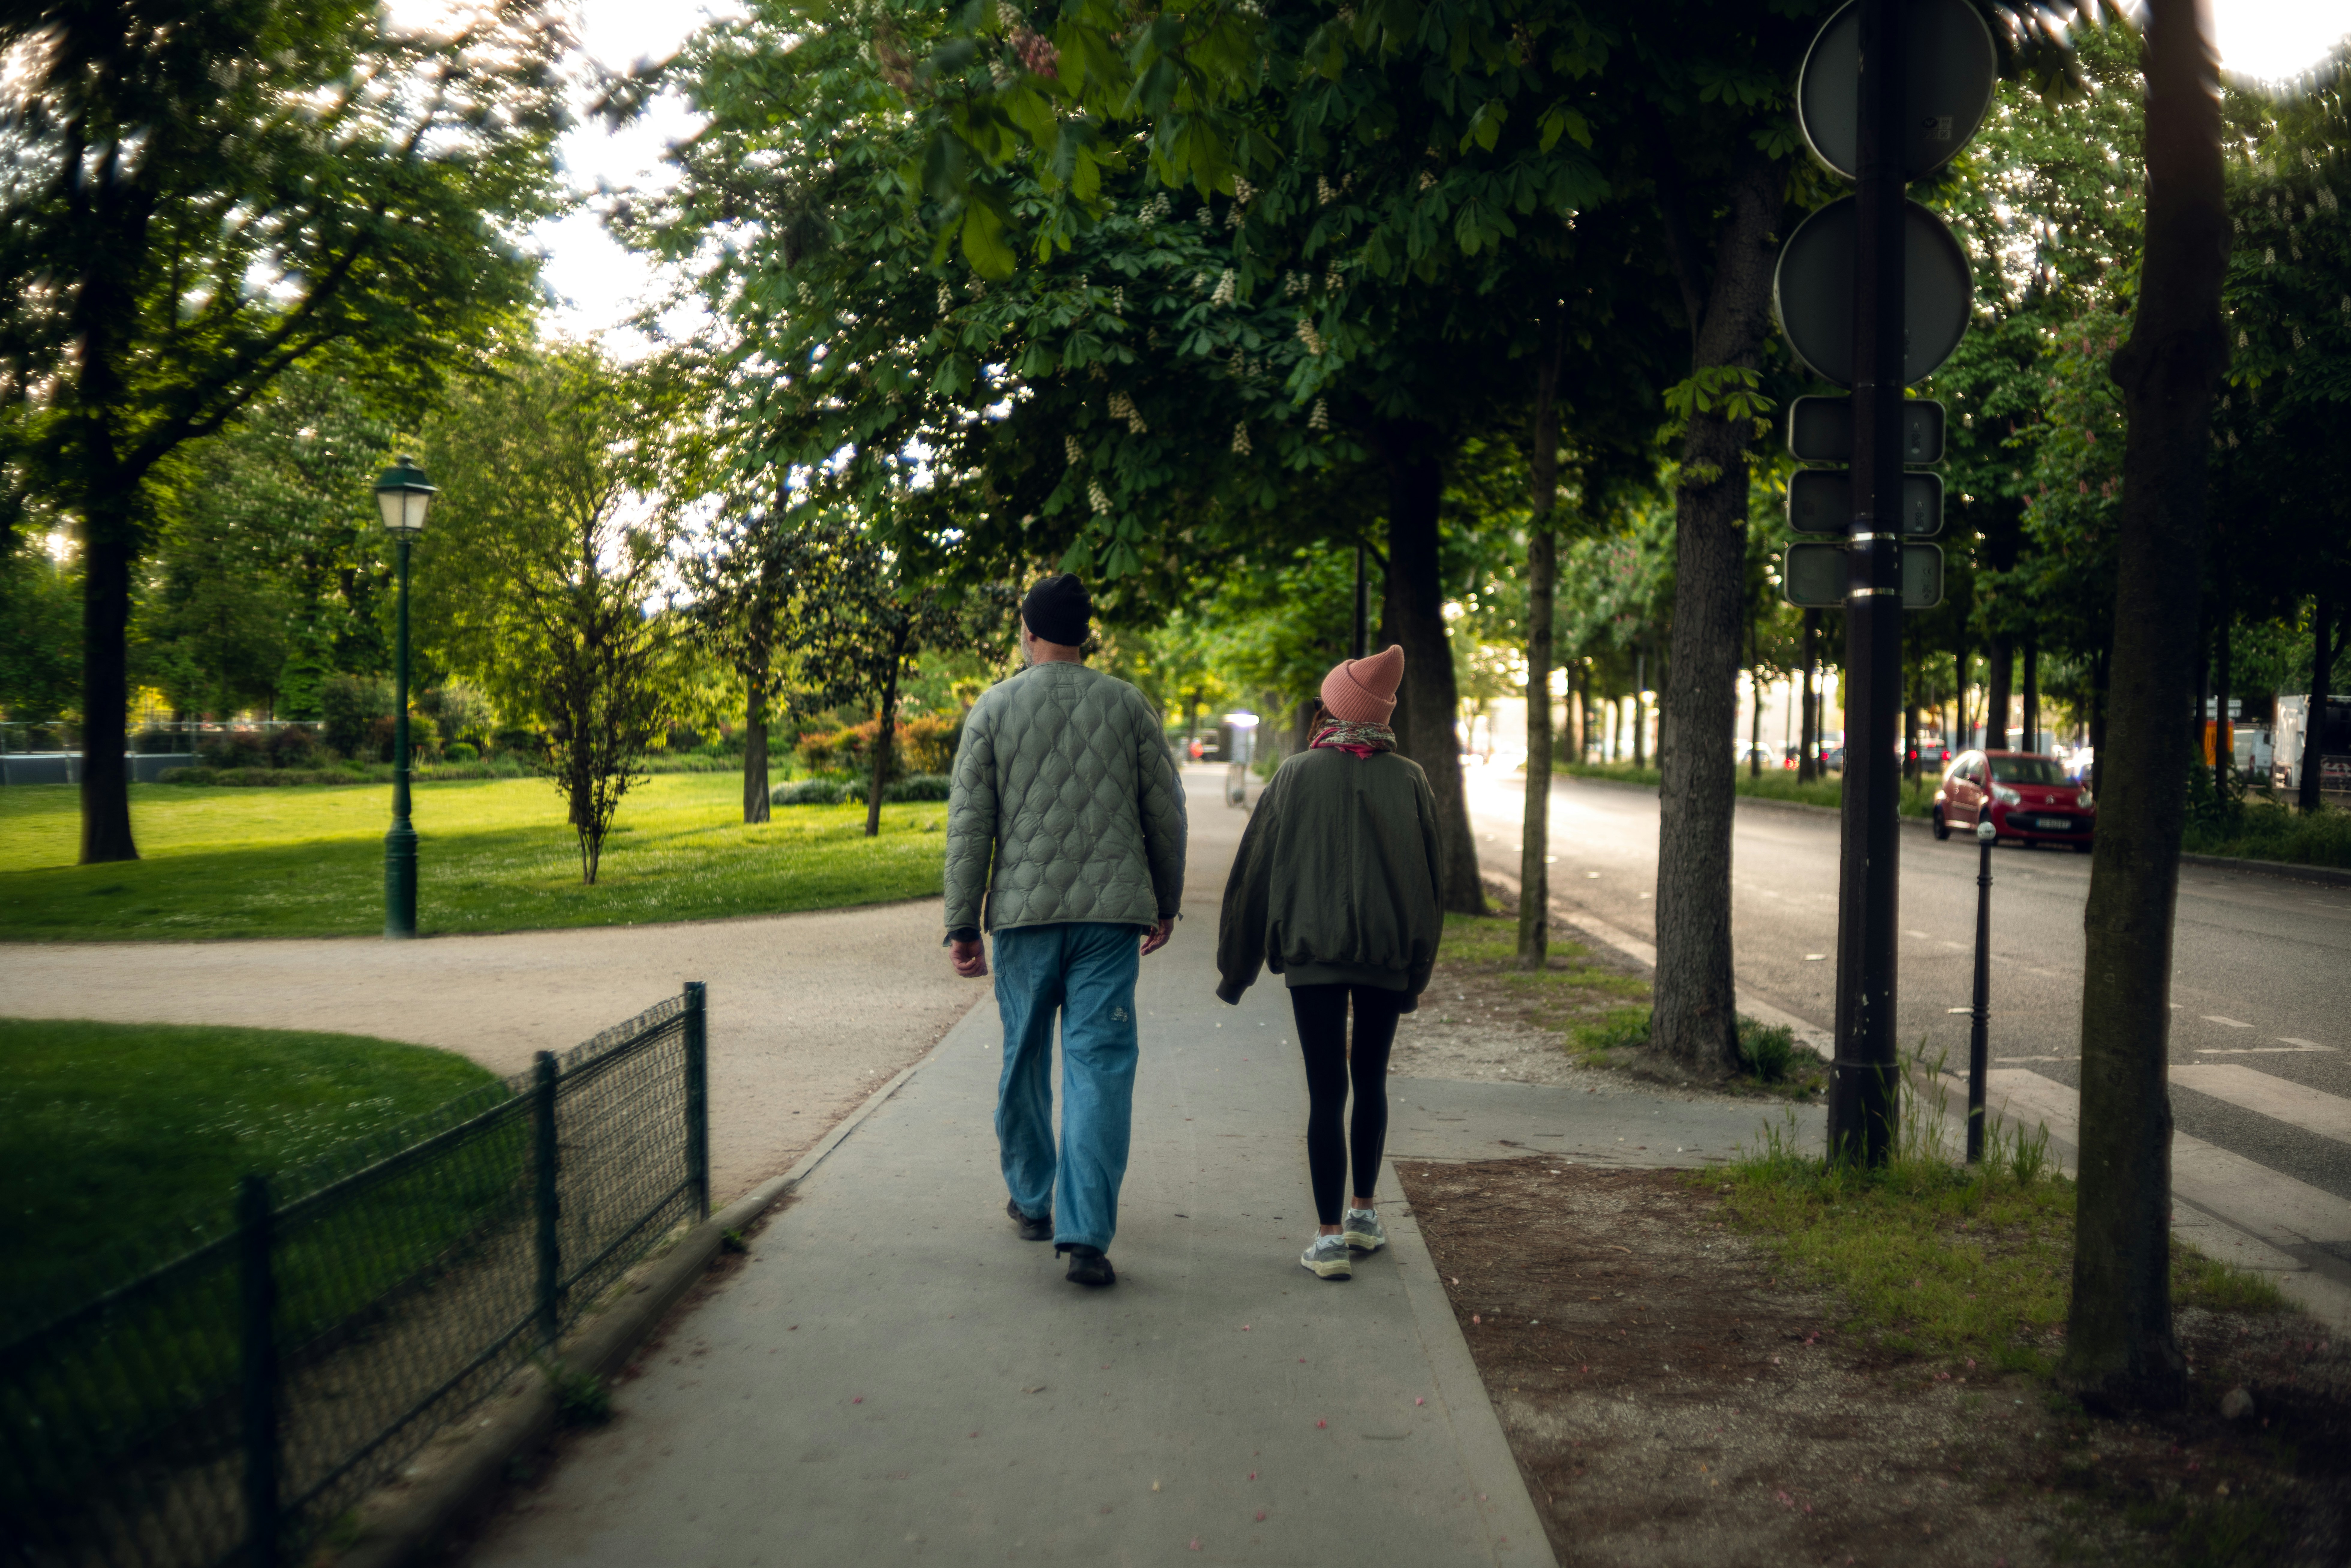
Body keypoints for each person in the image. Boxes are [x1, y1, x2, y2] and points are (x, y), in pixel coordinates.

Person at [944, 574, 1187, 1288]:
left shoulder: (992, 708)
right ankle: (1085, 1234)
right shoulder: (1127, 704)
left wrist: (962, 921)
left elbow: (969, 825)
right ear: (1085, 634)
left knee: (1024, 1056)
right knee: (1099, 1065)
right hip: (1109, 921)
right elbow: (1165, 811)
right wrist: (1163, 901)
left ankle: (1031, 1200)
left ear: (1026, 630)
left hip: (1022, 918)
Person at [1214, 645, 1443, 1281]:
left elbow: (1253, 875)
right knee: (1370, 1078)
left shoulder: (1293, 775)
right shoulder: (1411, 780)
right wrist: (1414, 971)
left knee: (1325, 1090)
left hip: (1311, 954)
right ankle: (1365, 1213)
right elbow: (1432, 884)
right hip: (1385, 956)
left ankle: (1327, 1236)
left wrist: (1237, 968)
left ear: (1332, 708)